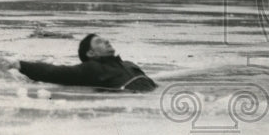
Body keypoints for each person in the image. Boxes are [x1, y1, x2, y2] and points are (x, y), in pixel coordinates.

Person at [8, 34, 157, 92]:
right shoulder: (93, 68)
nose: (106, 40)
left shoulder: (129, 64)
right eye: (99, 41)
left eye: (105, 39)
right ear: (91, 53)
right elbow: (55, 72)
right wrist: (21, 65)